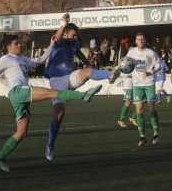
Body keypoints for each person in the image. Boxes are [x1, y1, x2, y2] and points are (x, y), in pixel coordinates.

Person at [0, 34, 103, 172]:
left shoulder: (22, 59)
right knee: (53, 92)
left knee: (21, 133)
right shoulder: (5, 58)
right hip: (18, 91)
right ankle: (83, 95)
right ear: (8, 47)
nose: (19, 45)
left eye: (19, 43)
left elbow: (40, 60)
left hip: (19, 96)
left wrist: (51, 44)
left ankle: (0, 157)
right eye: (16, 43)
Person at [44, 14, 120, 161]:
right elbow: (58, 38)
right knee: (59, 114)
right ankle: (50, 144)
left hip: (70, 76)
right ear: (66, 33)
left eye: (76, 35)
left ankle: (110, 75)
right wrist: (63, 23)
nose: (75, 38)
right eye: (73, 35)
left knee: (89, 72)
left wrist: (87, 63)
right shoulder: (58, 41)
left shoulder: (74, 43)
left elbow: (78, 52)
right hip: (57, 79)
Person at [126, 32, 161, 146]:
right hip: (137, 85)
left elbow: (158, 66)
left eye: (142, 39)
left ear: (145, 41)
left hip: (149, 83)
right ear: (135, 41)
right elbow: (126, 63)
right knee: (139, 110)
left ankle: (156, 133)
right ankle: (142, 136)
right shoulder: (132, 52)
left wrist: (150, 72)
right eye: (138, 39)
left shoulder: (151, 52)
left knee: (151, 108)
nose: (140, 41)